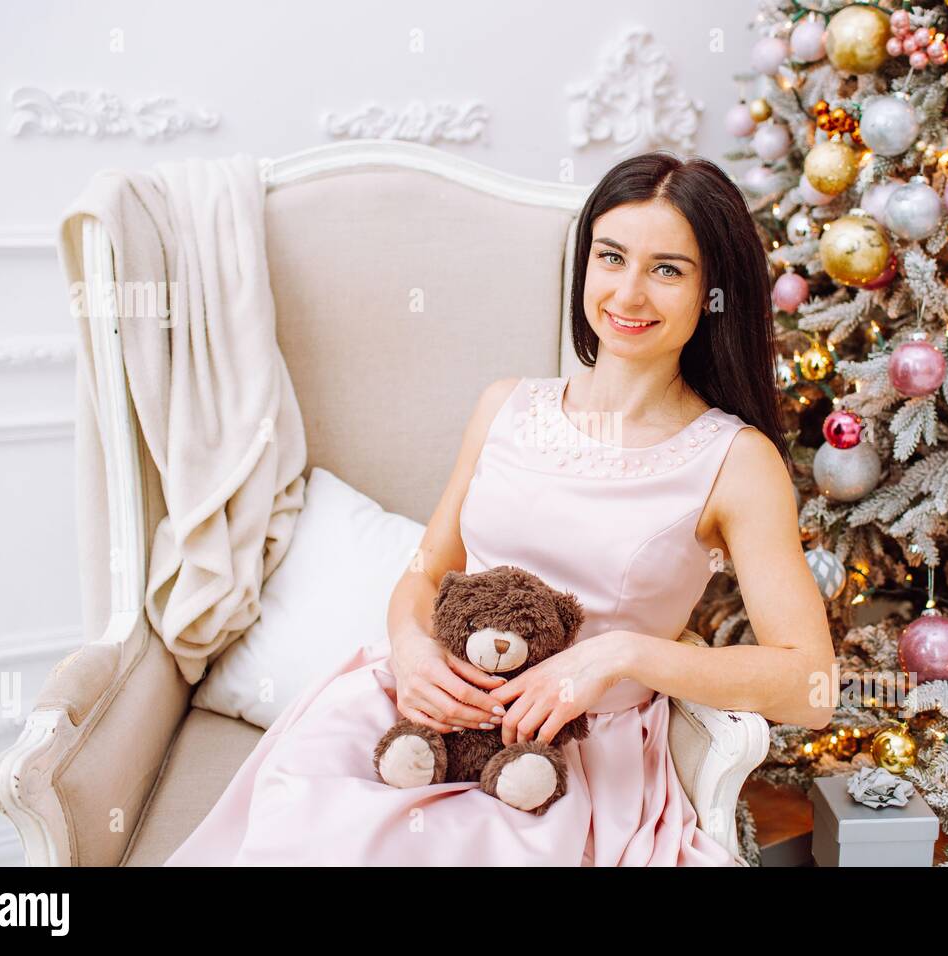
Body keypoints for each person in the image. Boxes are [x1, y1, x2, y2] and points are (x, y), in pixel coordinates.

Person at [162, 151, 835, 866]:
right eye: (611, 257)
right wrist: (412, 648)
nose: (629, 294)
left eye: (668, 269)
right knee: (305, 834)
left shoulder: (734, 461)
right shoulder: (507, 406)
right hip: (421, 715)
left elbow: (809, 686)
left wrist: (623, 653)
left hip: (562, 762)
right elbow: (427, 572)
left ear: (712, 293)